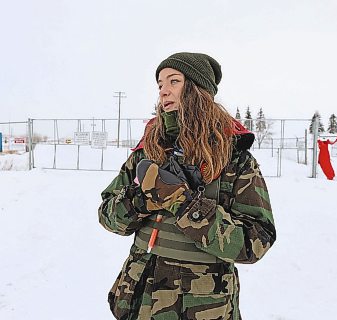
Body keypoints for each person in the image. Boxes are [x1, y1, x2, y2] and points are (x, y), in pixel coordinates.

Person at [98, 52, 276, 320]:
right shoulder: (148, 150)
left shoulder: (234, 159)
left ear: (197, 88)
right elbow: (108, 216)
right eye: (160, 84)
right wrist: (143, 200)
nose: (163, 92)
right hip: (141, 299)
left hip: (202, 306)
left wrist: (182, 203)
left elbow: (256, 241)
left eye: (174, 81)